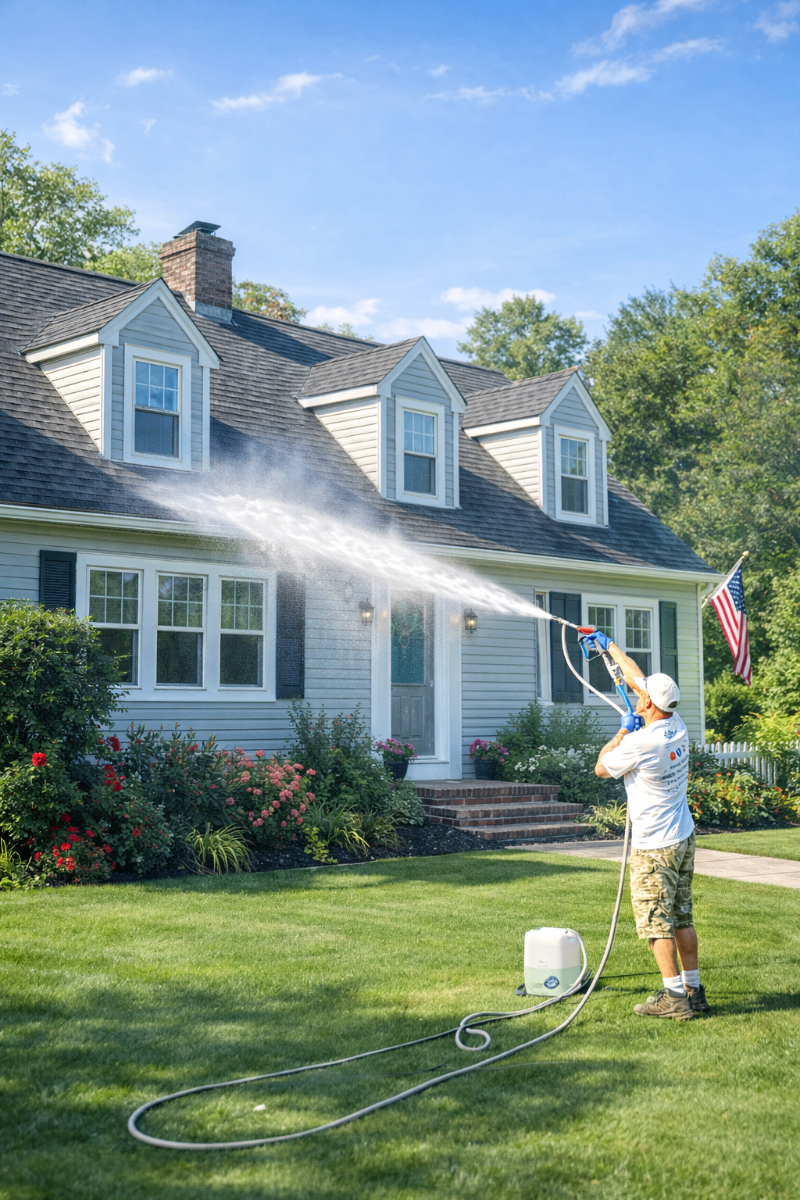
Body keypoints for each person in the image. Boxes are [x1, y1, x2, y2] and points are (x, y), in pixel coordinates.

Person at [589, 633, 710, 1020]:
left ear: (647, 704)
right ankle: (693, 991)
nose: (637, 693)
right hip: (682, 836)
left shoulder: (642, 743)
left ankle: (673, 998)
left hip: (655, 846)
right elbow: (635, 676)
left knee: (656, 925)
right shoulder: (677, 723)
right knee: (682, 917)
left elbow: (601, 767)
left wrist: (623, 730)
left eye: (642, 694)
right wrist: (608, 646)